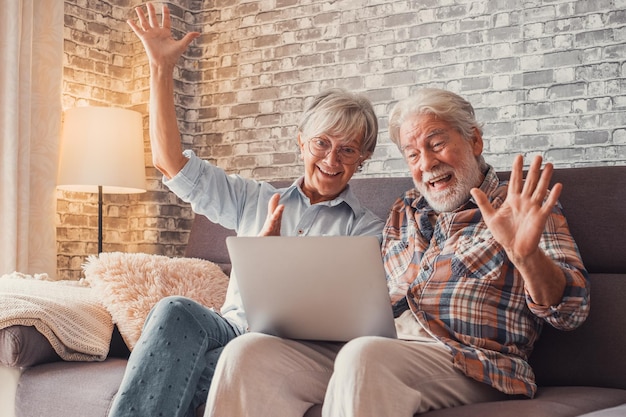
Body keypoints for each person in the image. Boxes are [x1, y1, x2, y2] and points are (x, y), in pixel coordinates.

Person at [203, 88, 590, 417]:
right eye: (413, 154)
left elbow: (571, 311)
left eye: (437, 144)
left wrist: (525, 258)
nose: (427, 163)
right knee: (247, 353)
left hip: (472, 361)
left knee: (365, 357)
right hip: (386, 345)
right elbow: (360, 296)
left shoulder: (519, 206)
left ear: (474, 140)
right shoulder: (404, 211)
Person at [109, 4, 383, 417]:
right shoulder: (253, 200)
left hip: (288, 351)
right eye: (321, 143)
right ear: (300, 142)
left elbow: (358, 323)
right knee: (173, 310)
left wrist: (276, 268)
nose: (331, 159)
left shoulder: (367, 232)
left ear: (362, 159)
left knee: (217, 364)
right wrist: (160, 68)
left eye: (347, 149)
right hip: (231, 329)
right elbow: (170, 163)